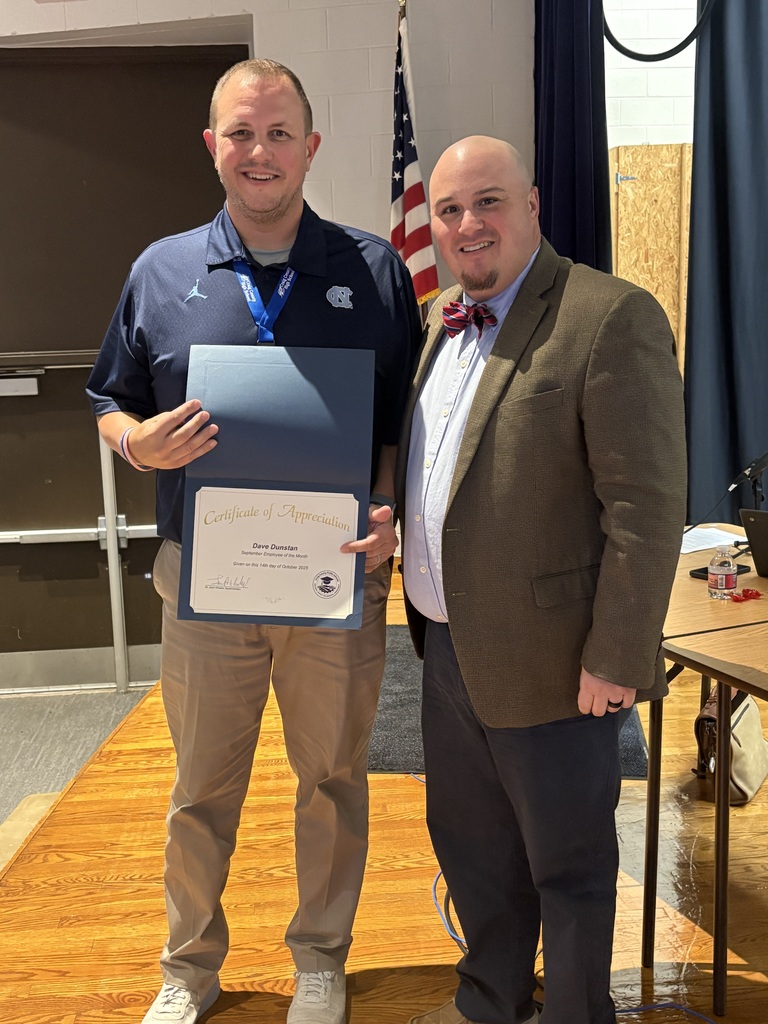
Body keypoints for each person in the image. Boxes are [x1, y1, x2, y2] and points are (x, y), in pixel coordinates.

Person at [87, 59, 419, 1024]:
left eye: (278, 134)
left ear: (310, 147)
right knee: (200, 788)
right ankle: (188, 970)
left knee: (331, 778)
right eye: (240, 133)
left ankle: (321, 960)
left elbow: (398, 421)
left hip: (331, 576)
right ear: (212, 146)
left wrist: (388, 508)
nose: (259, 152)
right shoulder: (161, 269)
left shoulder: (373, 268)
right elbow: (111, 400)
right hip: (205, 577)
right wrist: (136, 444)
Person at [394, 136, 687, 1024]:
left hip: (560, 663)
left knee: (567, 867)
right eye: (448, 210)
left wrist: (618, 658)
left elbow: (645, 507)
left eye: (487, 202)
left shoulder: (608, 316)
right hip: (445, 649)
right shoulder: (441, 321)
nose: (466, 224)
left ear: (531, 205)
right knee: (476, 852)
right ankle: (491, 999)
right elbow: (445, 471)